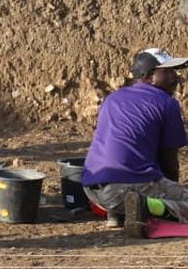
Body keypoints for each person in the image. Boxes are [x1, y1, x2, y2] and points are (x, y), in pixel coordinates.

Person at [80, 48, 188, 237]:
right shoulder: (166, 103)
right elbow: (169, 161)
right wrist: (170, 189)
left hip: (92, 190)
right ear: (149, 77)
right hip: (126, 189)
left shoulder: (112, 98)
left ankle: (116, 214)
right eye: (168, 71)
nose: (175, 77)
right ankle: (144, 207)